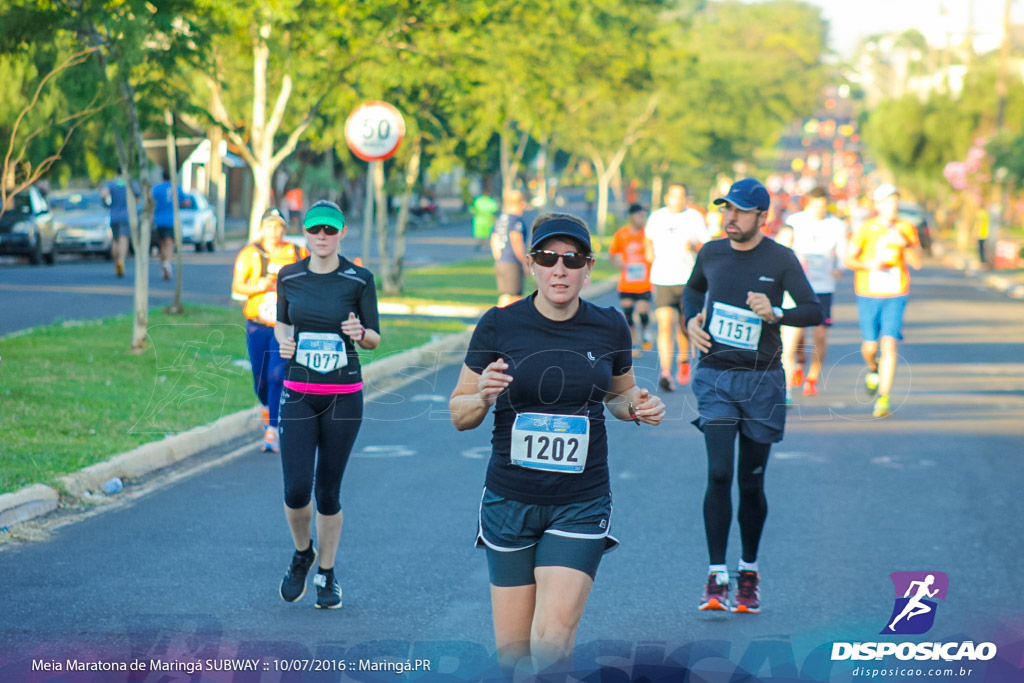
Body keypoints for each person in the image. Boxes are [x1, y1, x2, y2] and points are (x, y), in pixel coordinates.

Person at [449, 213, 665, 674]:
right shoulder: (498, 325)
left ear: (589, 267)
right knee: (512, 657)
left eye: (572, 259)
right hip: (509, 499)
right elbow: (459, 414)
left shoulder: (609, 325)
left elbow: (620, 395)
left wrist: (639, 407)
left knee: (550, 644)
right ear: (531, 264)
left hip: (580, 501)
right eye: (548, 258)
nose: (559, 269)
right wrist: (483, 395)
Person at [684, 178, 821, 613]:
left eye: (741, 211)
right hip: (717, 378)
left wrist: (776, 313)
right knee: (720, 473)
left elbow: (814, 310)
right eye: (726, 209)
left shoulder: (780, 259)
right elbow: (692, 289)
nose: (730, 217)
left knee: (751, 482)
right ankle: (715, 575)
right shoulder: (711, 252)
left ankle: (748, 571)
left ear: (762, 216)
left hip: (762, 382)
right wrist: (690, 320)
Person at [273, 200, 380, 609]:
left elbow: (375, 337)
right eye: (315, 230)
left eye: (329, 231)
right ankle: (303, 553)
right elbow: (284, 323)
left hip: (343, 397)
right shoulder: (289, 276)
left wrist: (359, 332)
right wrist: (284, 341)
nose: (321, 237)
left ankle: (327, 574)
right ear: (305, 232)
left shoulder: (359, 279)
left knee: (328, 491)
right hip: (299, 393)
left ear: (342, 233)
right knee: (296, 488)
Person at [231, 208, 307, 452]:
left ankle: (272, 429)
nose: (274, 232)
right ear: (262, 228)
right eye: (270, 226)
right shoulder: (250, 254)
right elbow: (237, 286)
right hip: (258, 325)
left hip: (284, 325)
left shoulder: (296, 252)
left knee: (277, 374)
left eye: (279, 227)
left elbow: (309, 279)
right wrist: (258, 286)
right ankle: (268, 409)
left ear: (284, 230)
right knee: (261, 379)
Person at [844, 184, 922, 418]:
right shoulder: (866, 229)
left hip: (896, 293)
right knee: (870, 347)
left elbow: (917, 262)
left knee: (889, 344)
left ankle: (884, 397)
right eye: (888, 202)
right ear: (878, 205)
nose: (893, 206)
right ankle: (872, 368)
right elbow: (849, 259)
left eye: (895, 201)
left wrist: (904, 243)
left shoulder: (906, 228)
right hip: (868, 292)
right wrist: (868, 265)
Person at [775, 187, 848, 399]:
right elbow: (783, 244)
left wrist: (839, 268)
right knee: (794, 335)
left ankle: (812, 378)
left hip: (823, 287)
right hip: (797, 287)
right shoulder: (796, 221)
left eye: (822, 206)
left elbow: (843, 252)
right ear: (808, 204)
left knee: (820, 334)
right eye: (815, 206)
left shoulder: (836, 225)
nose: (819, 210)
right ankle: (794, 371)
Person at [644, 182, 709, 391]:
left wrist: (694, 246)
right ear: (667, 198)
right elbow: (648, 239)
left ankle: (683, 361)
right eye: (674, 196)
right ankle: (665, 371)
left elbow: (706, 245)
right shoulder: (657, 217)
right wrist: (649, 253)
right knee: (664, 324)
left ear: (685, 198)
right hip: (663, 278)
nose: (677, 200)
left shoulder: (694, 217)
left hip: (687, 280)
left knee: (684, 327)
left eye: (681, 196)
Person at [608, 204, 653, 356]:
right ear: (631, 216)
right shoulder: (622, 234)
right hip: (627, 282)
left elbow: (653, 255)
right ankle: (633, 343)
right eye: (639, 216)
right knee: (627, 313)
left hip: (644, 283)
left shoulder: (648, 235)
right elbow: (612, 254)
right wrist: (618, 265)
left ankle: (646, 330)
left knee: (642, 310)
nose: (642, 219)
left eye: (644, 216)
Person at [491, 189, 529, 307]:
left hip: (501, 262)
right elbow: (516, 239)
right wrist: (524, 262)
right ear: (522, 204)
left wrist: (499, 257)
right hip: (513, 263)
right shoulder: (516, 220)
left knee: (505, 296)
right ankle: (501, 324)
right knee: (515, 298)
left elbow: (494, 239)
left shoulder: (500, 219)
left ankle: (498, 323)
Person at [151, 170, 192, 280]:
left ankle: (164, 263)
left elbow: (150, 201)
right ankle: (167, 263)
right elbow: (186, 202)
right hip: (171, 220)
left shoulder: (157, 188)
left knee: (162, 243)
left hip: (158, 220)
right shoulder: (176, 188)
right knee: (170, 242)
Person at [101, 168, 140, 278]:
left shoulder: (112, 183)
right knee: (124, 239)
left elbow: (103, 194)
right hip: (126, 216)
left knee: (115, 240)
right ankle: (121, 261)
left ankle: (116, 263)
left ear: (116, 172)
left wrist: (106, 204)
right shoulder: (131, 183)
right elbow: (137, 198)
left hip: (114, 215)